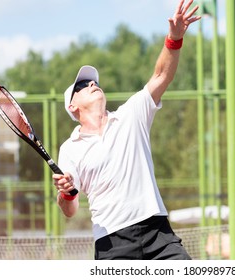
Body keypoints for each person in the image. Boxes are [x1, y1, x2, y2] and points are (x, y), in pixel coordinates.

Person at [52, 0, 201, 260]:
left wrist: (174, 39)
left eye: (93, 81)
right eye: (82, 85)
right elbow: (70, 209)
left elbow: (160, 75)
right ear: (72, 106)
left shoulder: (131, 114)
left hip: (158, 233)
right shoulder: (70, 149)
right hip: (112, 244)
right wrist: (66, 193)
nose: (92, 84)